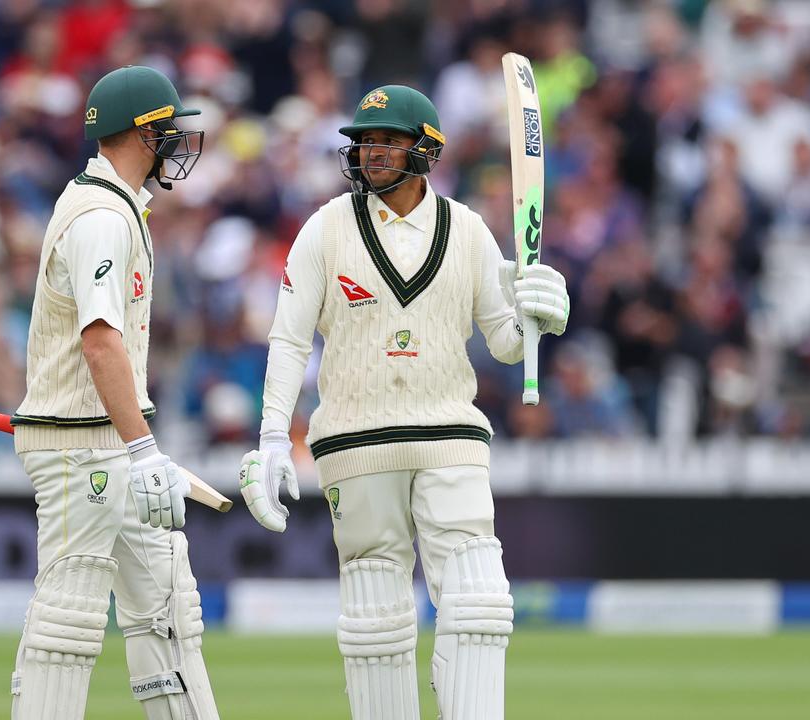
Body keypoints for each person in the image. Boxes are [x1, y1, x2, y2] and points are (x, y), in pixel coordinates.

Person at [237, 85, 570, 719]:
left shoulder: (468, 230)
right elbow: (287, 340)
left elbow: (503, 342)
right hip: (355, 443)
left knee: (477, 601)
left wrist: (540, 314)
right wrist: (274, 440)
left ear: (426, 149)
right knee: (376, 616)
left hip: (450, 434)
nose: (373, 153)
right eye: (364, 142)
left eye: (389, 140)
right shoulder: (324, 229)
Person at [9, 65, 219, 720]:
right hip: (82, 449)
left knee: (168, 609)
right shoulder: (101, 216)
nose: (177, 144)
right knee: (70, 617)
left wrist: (136, 449)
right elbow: (100, 342)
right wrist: (146, 450)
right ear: (143, 132)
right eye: (168, 131)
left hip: (112, 444)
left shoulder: (118, 206)